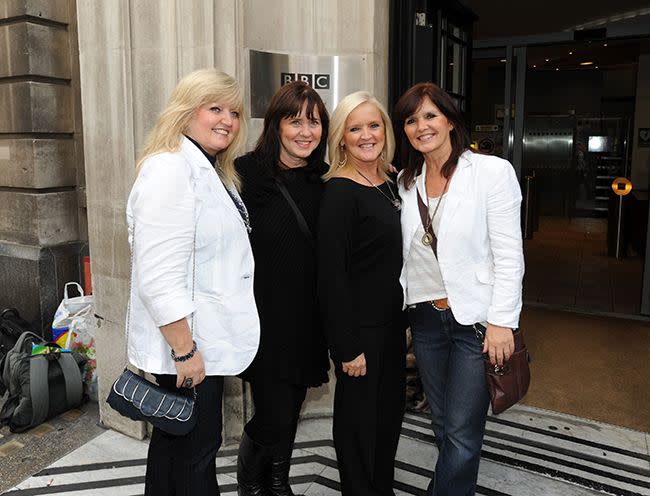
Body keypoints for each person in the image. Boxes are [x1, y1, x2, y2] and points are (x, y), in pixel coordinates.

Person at [126, 68, 260, 496]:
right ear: (186, 113)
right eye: (214, 108)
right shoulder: (170, 169)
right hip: (187, 348)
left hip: (199, 344)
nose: (227, 120)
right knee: (195, 451)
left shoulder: (211, 169)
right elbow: (158, 275)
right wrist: (185, 351)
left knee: (178, 446)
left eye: (235, 112)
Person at [393, 82, 524, 496]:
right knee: (443, 424)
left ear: (449, 120)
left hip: (475, 324)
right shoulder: (405, 181)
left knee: (464, 433)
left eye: (430, 115)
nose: (421, 126)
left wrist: (503, 322)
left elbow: (509, 254)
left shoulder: (491, 172)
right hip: (427, 320)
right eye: (412, 119)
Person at [234, 81, 331, 496]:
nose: (305, 131)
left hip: (307, 320)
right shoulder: (243, 174)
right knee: (271, 414)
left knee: (291, 411)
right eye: (295, 121)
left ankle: (278, 482)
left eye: (314, 122)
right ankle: (250, 483)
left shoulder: (323, 183)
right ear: (276, 125)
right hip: (262, 320)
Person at [318, 91, 406, 496]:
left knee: (388, 420)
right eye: (355, 128)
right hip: (359, 332)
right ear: (341, 138)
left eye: (374, 125)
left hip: (389, 327)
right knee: (358, 426)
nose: (366, 135)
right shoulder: (339, 192)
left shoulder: (388, 182)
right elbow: (331, 277)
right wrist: (347, 346)